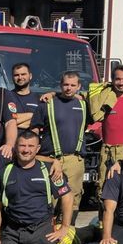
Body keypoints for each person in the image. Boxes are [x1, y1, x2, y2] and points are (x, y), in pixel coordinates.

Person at [0, 130, 74, 244]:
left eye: (30, 146)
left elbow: (67, 196)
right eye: (22, 145)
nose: (26, 150)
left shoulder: (48, 171)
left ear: (38, 149)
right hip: (13, 233)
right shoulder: (5, 172)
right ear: (15, 147)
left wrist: (65, 227)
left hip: (42, 233)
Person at [33, 71, 90, 220]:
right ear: (60, 85)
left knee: (73, 199)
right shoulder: (47, 104)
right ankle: (47, 233)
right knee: (50, 198)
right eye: (65, 84)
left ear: (79, 87)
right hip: (50, 159)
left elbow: (100, 91)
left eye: (73, 85)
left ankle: (68, 234)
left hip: (74, 160)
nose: (69, 88)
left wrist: (83, 95)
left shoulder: (84, 104)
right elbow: (33, 132)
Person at [5, 63, 42, 134]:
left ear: (30, 76)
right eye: (16, 75)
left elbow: (42, 121)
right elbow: (5, 120)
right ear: (12, 77)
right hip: (12, 143)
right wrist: (32, 115)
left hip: (32, 143)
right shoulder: (6, 96)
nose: (20, 77)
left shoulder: (39, 99)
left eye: (23, 74)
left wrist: (14, 121)